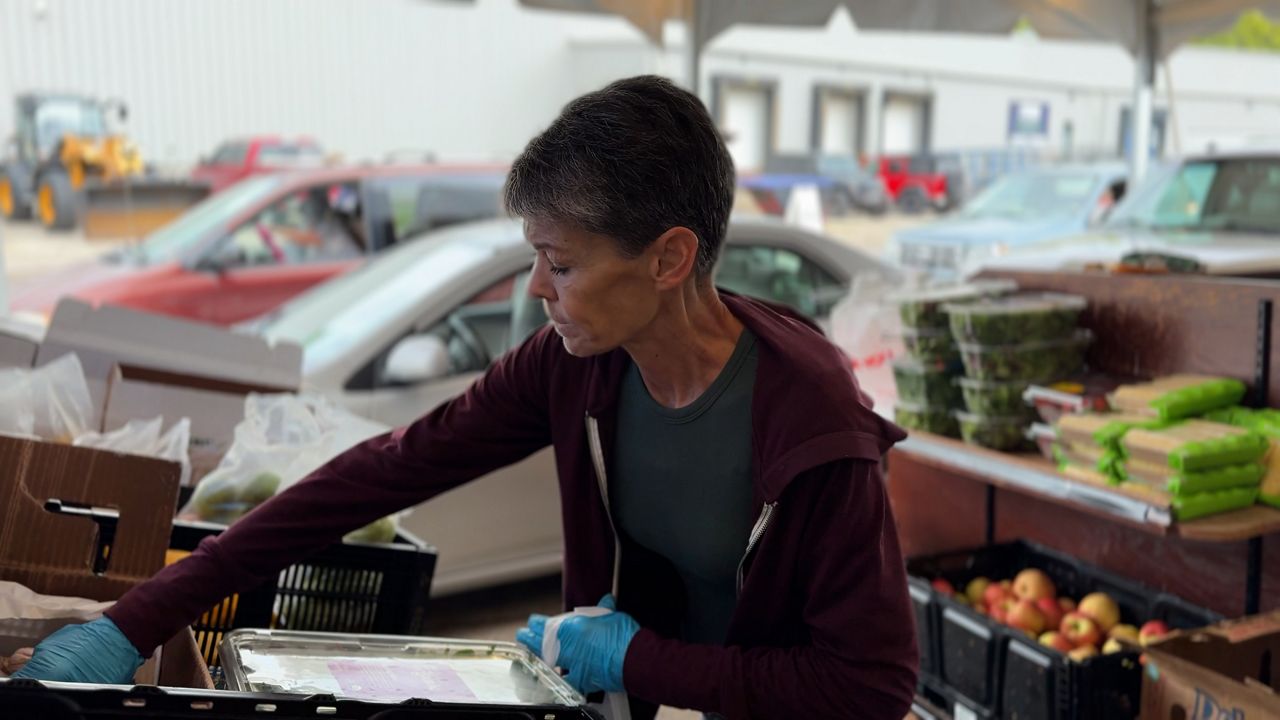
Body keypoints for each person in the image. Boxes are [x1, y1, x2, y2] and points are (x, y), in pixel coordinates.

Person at [15, 76, 917, 719]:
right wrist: (135, 622)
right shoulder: (577, 363)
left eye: (560, 263)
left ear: (671, 258)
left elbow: (869, 687)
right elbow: (382, 472)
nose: (536, 288)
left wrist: (640, 658)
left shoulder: (814, 427)